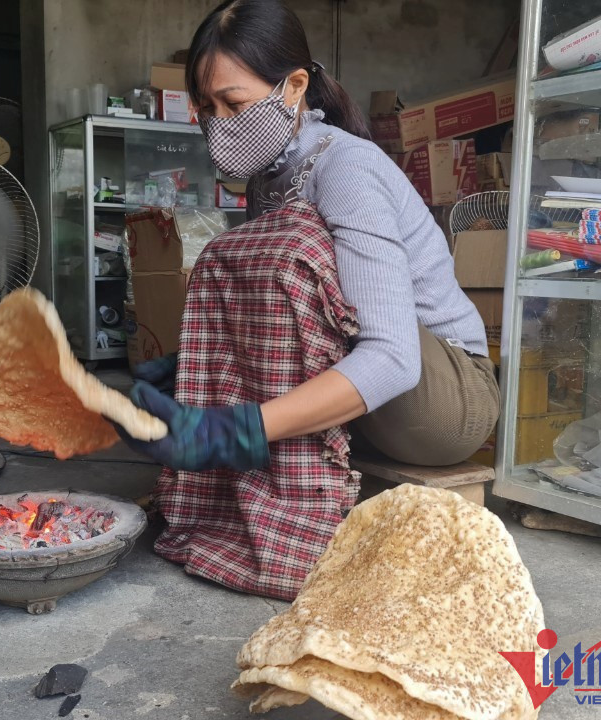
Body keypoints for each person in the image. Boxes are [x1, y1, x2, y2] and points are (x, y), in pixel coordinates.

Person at [113, 0, 500, 600]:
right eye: (207, 109)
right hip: (374, 406)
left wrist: (233, 430)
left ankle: (255, 461)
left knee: (285, 248)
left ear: (294, 87)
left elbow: (394, 359)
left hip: (443, 401)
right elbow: (280, 318)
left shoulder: (346, 168)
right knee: (245, 256)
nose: (219, 124)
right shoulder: (270, 178)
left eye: (234, 104)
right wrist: (192, 371)